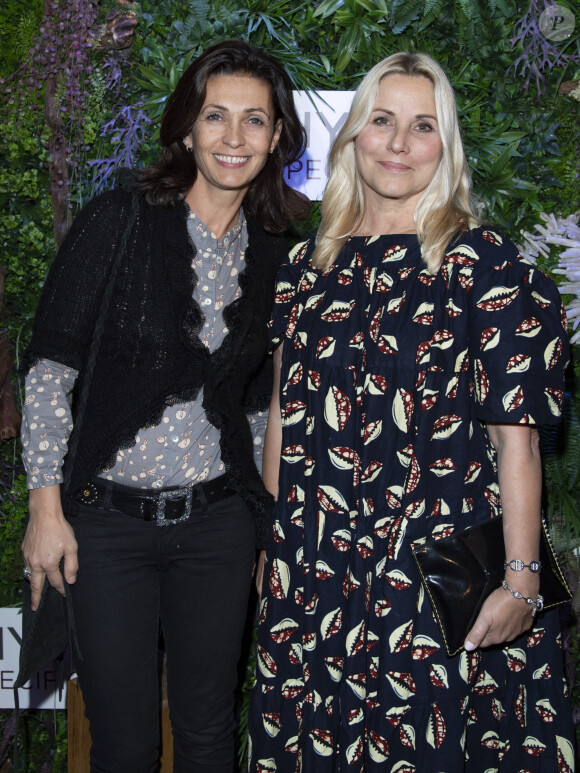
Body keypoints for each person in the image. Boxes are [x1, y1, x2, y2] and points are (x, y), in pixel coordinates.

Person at [249, 52, 575, 771]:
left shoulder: (484, 266)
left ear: (445, 147)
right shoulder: (304, 269)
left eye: (422, 126)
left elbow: (515, 443)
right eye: (382, 121)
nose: (398, 144)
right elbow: (282, 414)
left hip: (431, 571)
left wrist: (521, 578)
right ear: (352, 136)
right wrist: (275, 549)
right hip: (316, 572)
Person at [20, 39, 309, 773]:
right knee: (123, 742)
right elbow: (51, 373)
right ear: (186, 127)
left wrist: (263, 522)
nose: (234, 138)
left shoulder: (280, 254)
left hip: (217, 527)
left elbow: (256, 407)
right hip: (108, 527)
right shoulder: (118, 221)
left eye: (254, 120)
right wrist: (45, 509)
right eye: (217, 117)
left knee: (209, 733)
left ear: (277, 138)